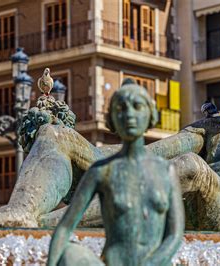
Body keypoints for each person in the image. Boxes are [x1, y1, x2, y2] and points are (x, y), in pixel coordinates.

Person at [0, 25, 220, 237]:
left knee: (190, 168)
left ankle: (44, 226)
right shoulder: (216, 127)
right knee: (56, 137)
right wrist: (70, 143)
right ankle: (20, 213)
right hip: (194, 198)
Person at [47, 79, 184, 266]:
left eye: (137, 106)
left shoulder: (166, 171)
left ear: (150, 115)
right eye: (121, 108)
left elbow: (175, 235)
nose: (129, 114)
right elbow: (64, 228)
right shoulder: (102, 171)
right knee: (71, 255)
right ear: (112, 118)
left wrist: (150, 264)